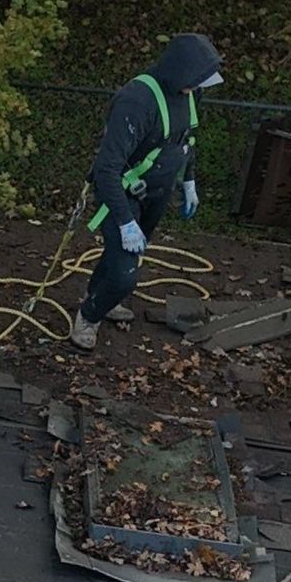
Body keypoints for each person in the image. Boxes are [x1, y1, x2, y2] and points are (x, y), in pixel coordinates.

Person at [70, 33, 223, 351]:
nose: (196, 89)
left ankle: (99, 295)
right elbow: (106, 169)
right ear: (180, 71)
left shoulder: (189, 93)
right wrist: (125, 222)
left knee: (122, 259)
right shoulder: (137, 101)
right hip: (121, 191)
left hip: (157, 190)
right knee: (126, 274)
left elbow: (185, 140)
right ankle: (88, 316)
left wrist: (189, 181)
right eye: (194, 82)